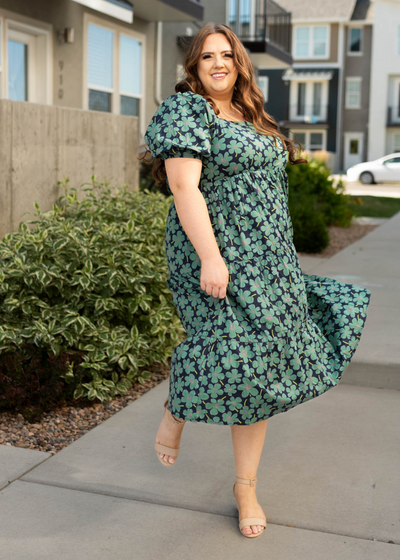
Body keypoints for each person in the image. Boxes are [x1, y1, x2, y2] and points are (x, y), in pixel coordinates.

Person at [142, 23, 371, 538]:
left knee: (265, 363)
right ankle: (178, 408)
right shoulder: (188, 110)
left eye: (227, 55)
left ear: (240, 62)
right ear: (194, 68)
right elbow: (184, 187)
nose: (219, 63)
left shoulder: (251, 115)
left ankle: (245, 485)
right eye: (207, 57)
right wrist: (210, 258)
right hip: (216, 250)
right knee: (227, 346)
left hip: (269, 256)